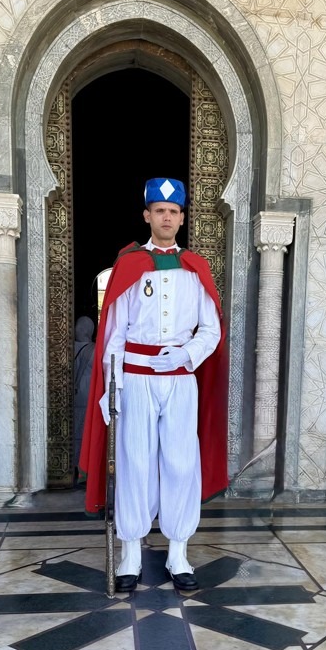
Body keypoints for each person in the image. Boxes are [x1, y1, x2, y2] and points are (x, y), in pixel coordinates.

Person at [79, 177, 228, 592]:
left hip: (180, 380)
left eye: (174, 211)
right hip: (135, 379)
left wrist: (188, 354)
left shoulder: (195, 268)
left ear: (181, 218)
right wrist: (113, 386)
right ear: (147, 215)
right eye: (159, 211)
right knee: (134, 462)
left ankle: (179, 554)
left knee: (181, 462)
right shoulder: (128, 265)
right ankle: (130, 555)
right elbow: (114, 333)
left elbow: (211, 329)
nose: (167, 217)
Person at [73, 316, 96, 470]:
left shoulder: (66, 346)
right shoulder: (94, 350)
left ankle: (71, 467)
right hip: (86, 394)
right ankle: (82, 468)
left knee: (73, 430)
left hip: (70, 394)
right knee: (83, 432)